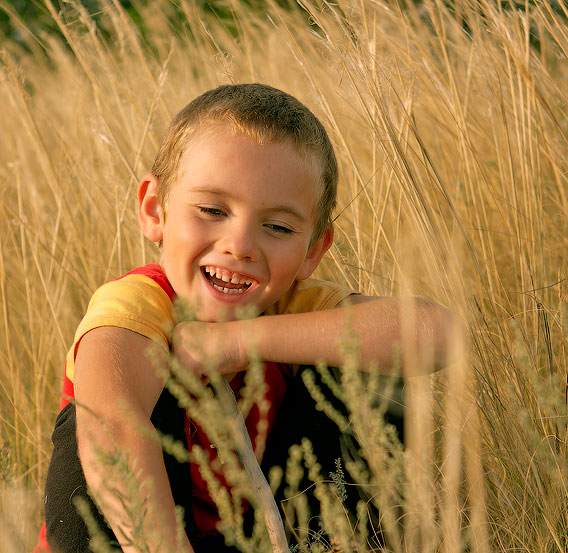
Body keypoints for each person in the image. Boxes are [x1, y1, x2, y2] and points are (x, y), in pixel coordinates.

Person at [34, 84, 458, 553]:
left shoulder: (293, 304)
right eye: (212, 210)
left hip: (258, 536)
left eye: (277, 227)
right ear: (155, 210)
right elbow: (111, 431)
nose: (240, 245)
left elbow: (438, 333)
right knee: (93, 425)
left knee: (373, 373)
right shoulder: (136, 305)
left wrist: (237, 343)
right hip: (147, 539)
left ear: (312, 251)